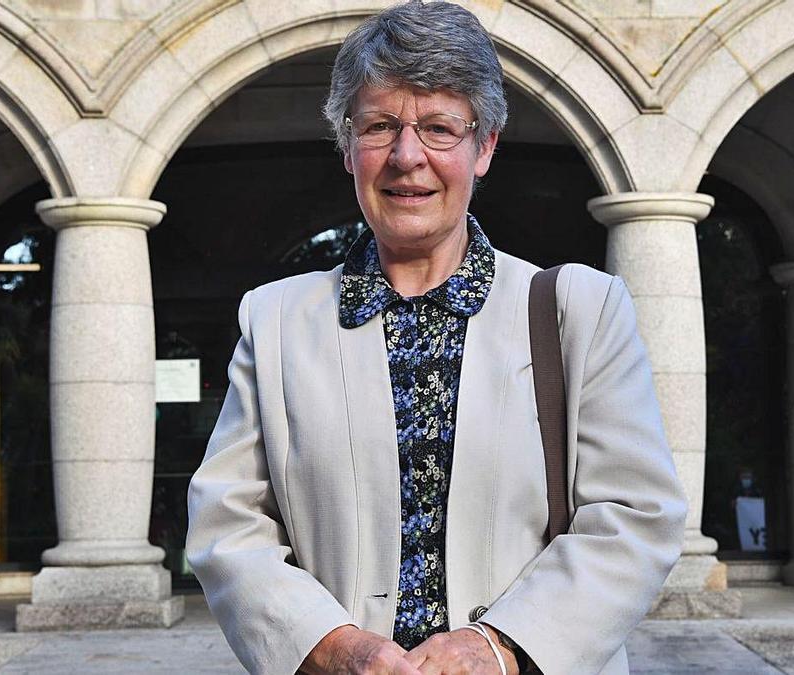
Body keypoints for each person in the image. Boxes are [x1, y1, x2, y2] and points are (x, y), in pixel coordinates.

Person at [186, 2, 687, 673]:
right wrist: (332, 646)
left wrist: (500, 646)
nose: (406, 157)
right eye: (379, 126)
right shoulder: (274, 320)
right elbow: (229, 524)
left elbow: (634, 516)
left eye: (439, 128)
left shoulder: (581, 310)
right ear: (347, 145)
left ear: (484, 148)